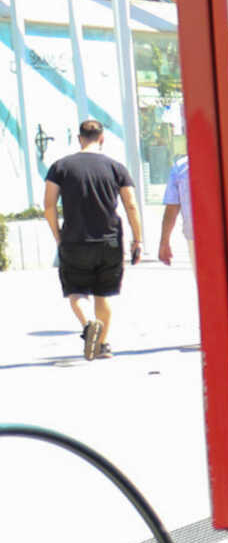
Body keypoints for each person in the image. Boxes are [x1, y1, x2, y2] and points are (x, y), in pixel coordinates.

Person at [43, 119, 143, 361]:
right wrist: (137, 240)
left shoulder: (60, 167)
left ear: (79, 138)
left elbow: (48, 205)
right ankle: (102, 345)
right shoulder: (115, 167)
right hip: (109, 241)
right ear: (102, 138)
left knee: (76, 292)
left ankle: (88, 324)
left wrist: (58, 236)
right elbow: (130, 204)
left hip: (75, 240)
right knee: (103, 294)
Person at [157, 152, 194, 265]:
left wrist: (164, 242)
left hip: (195, 236)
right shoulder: (181, 167)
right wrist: (164, 242)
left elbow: (171, 209)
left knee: (204, 280)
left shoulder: (181, 167)